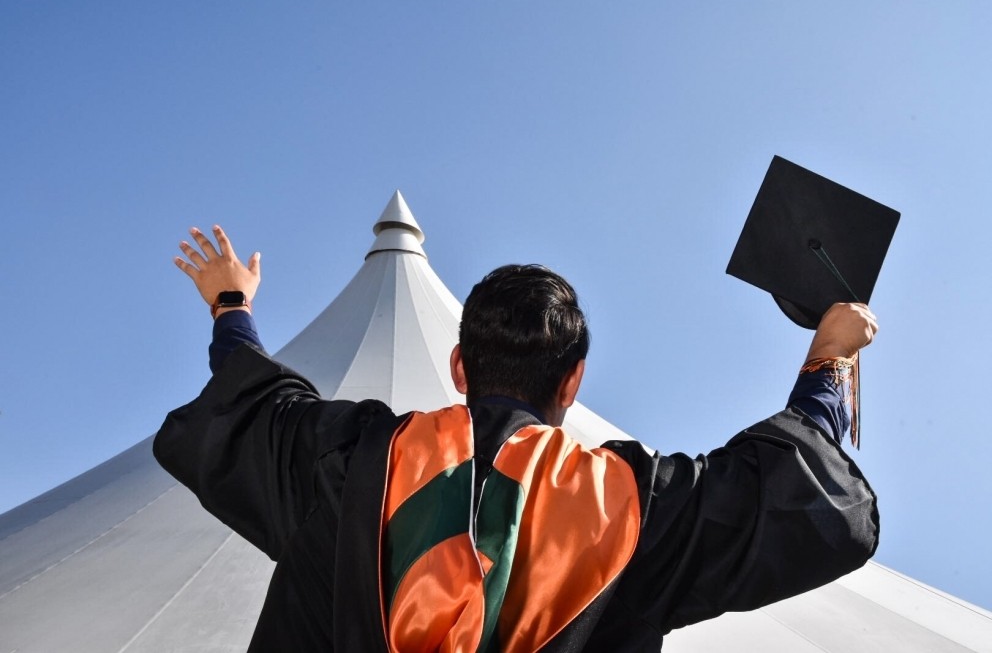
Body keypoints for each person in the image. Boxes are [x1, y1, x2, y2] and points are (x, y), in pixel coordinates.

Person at [155, 225, 879, 652]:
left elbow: (253, 399)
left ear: (458, 366)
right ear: (573, 382)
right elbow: (782, 487)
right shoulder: (630, 505)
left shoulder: (353, 460)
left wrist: (231, 304)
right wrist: (828, 358)